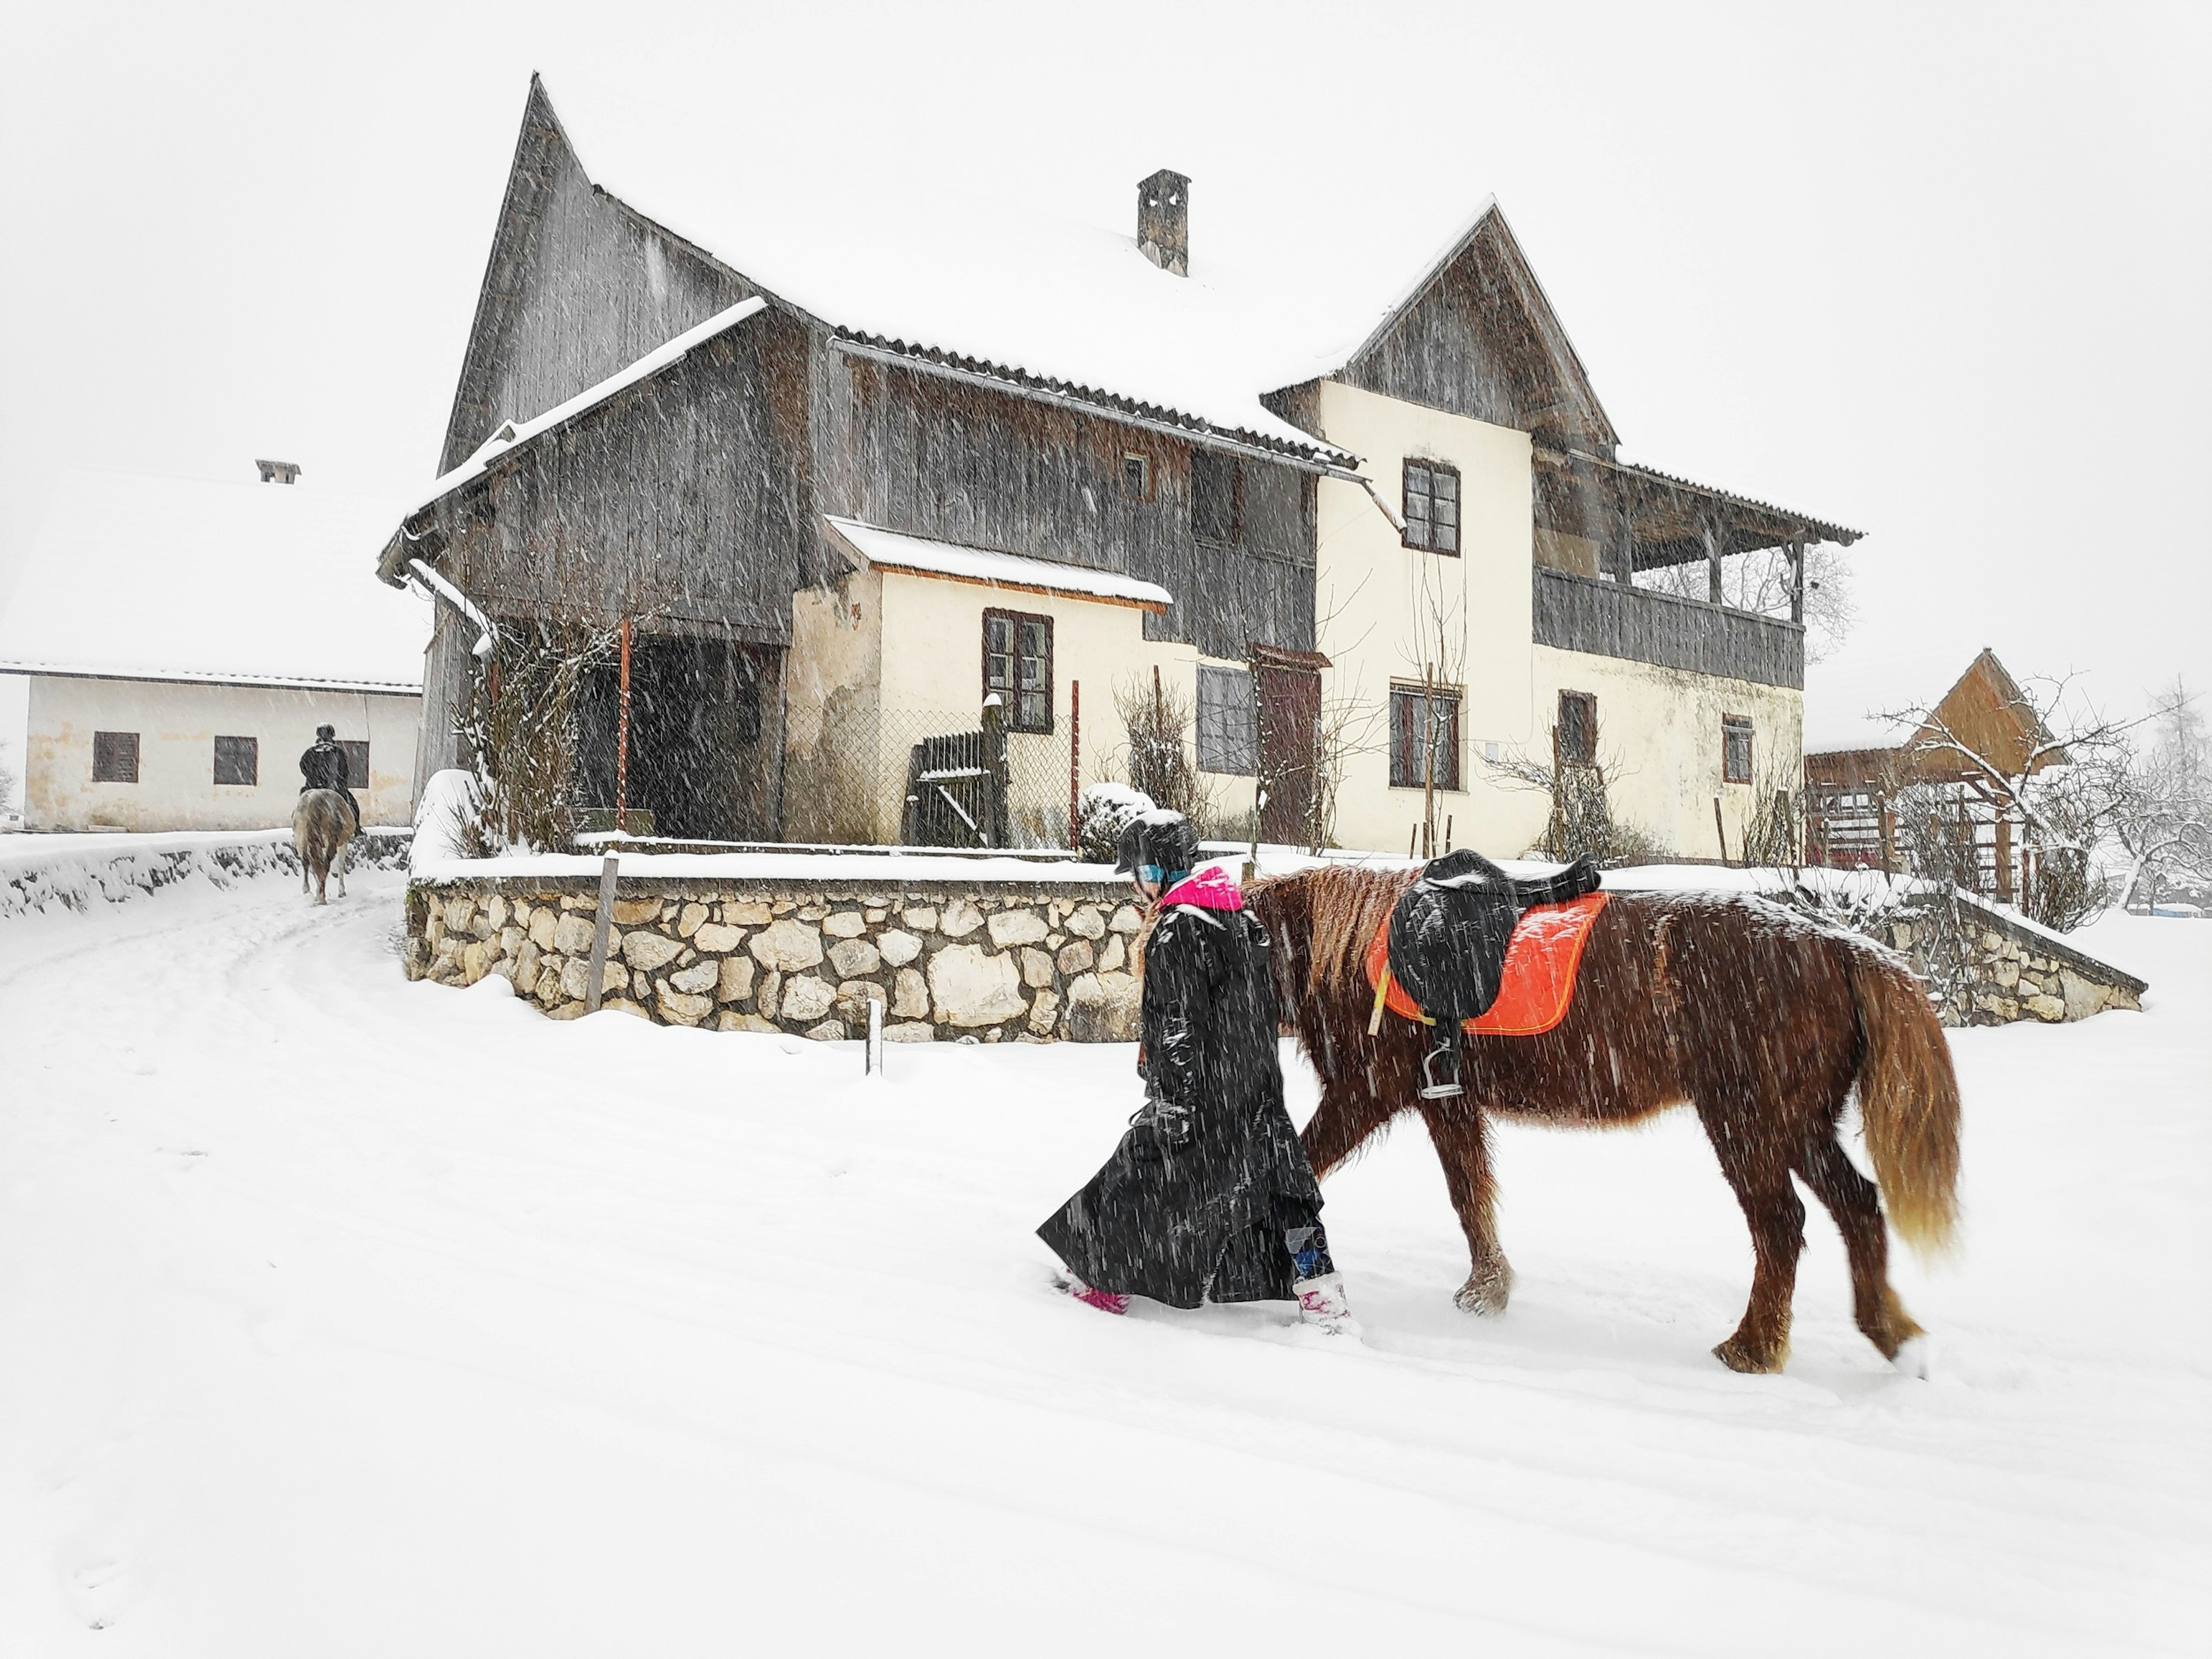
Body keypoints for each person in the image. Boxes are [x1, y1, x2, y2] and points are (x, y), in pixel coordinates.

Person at [1037, 810, 1356, 1334]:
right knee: (1281, 1190)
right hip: (1254, 1090)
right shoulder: (1241, 922)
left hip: (1203, 1093)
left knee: (1136, 1176)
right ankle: (1320, 1289)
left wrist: (1174, 1100)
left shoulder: (1177, 932)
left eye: (1138, 872)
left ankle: (1103, 1281)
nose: (1136, 886)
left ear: (1156, 871)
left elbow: (1178, 1026)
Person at [298, 724, 362, 834]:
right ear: (332, 735)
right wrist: (337, 783)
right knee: (353, 805)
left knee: (301, 805)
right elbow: (344, 771)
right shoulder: (338, 751)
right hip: (334, 788)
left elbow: (303, 766)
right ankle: (357, 830)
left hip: (312, 788)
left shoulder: (310, 751)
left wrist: (313, 779)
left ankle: (298, 828)